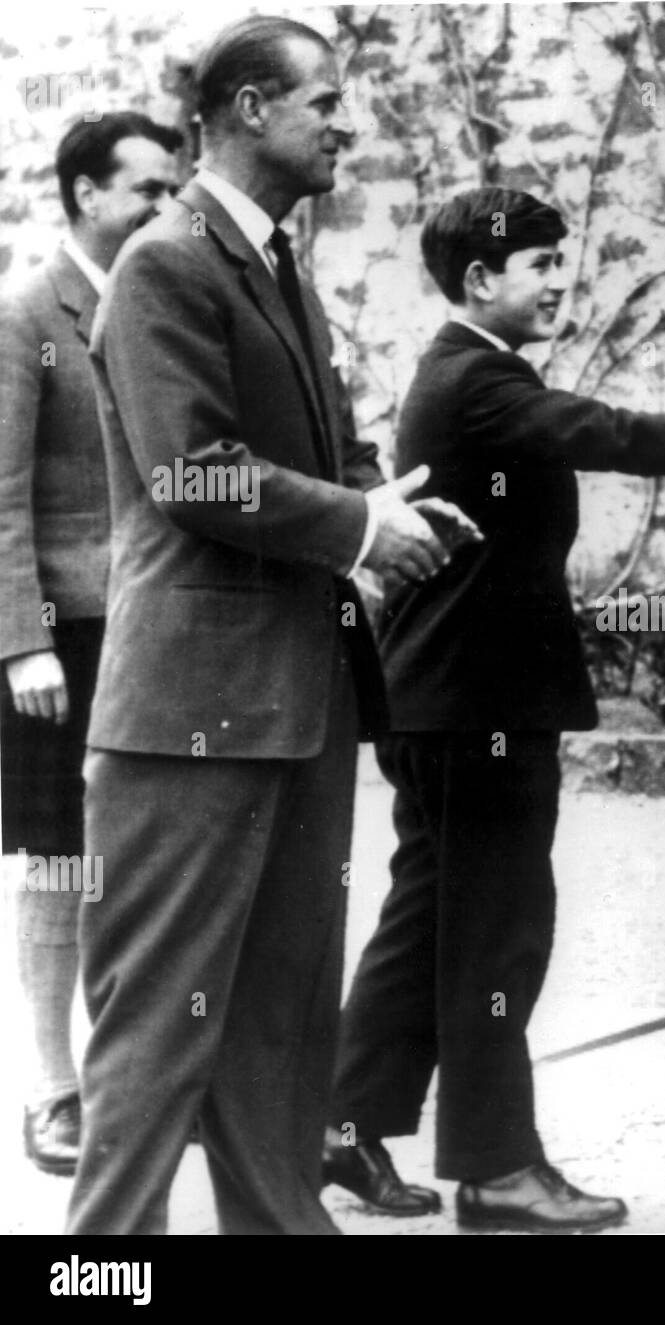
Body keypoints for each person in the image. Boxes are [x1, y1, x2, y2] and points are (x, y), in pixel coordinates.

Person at [321, 186, 665, 1231]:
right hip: (474, 700)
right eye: (538, 265)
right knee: (497, 933)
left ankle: (342, 1125)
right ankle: (493, 1169)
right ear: (481, 280)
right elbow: (612, 431)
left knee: (433, 913)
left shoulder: (470, 371)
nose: (557, 281)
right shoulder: (476, 380)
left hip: (445, 696)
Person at [66, 15, 476, 1234]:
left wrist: (372, 501)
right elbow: (191, 472)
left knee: (283, 1017)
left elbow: (283, 459)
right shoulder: (166, 264)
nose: (347, 123)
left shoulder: (272, 263)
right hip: (192, 711)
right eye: (326, 102)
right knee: (156, 1024)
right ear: (249, 109)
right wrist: (354, 526)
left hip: (293, 700)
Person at [0, 112, 182, 1177]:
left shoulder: (160, 300)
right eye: (146, 191)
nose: (167, 208)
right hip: (63, 640)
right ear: (83, 195)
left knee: (148, 858)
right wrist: (22, 641)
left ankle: (140, 1077)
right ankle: (51, 1089)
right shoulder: (27, 312)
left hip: (159, 625)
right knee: (58, 860)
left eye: (173, 189)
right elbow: (1, 494)